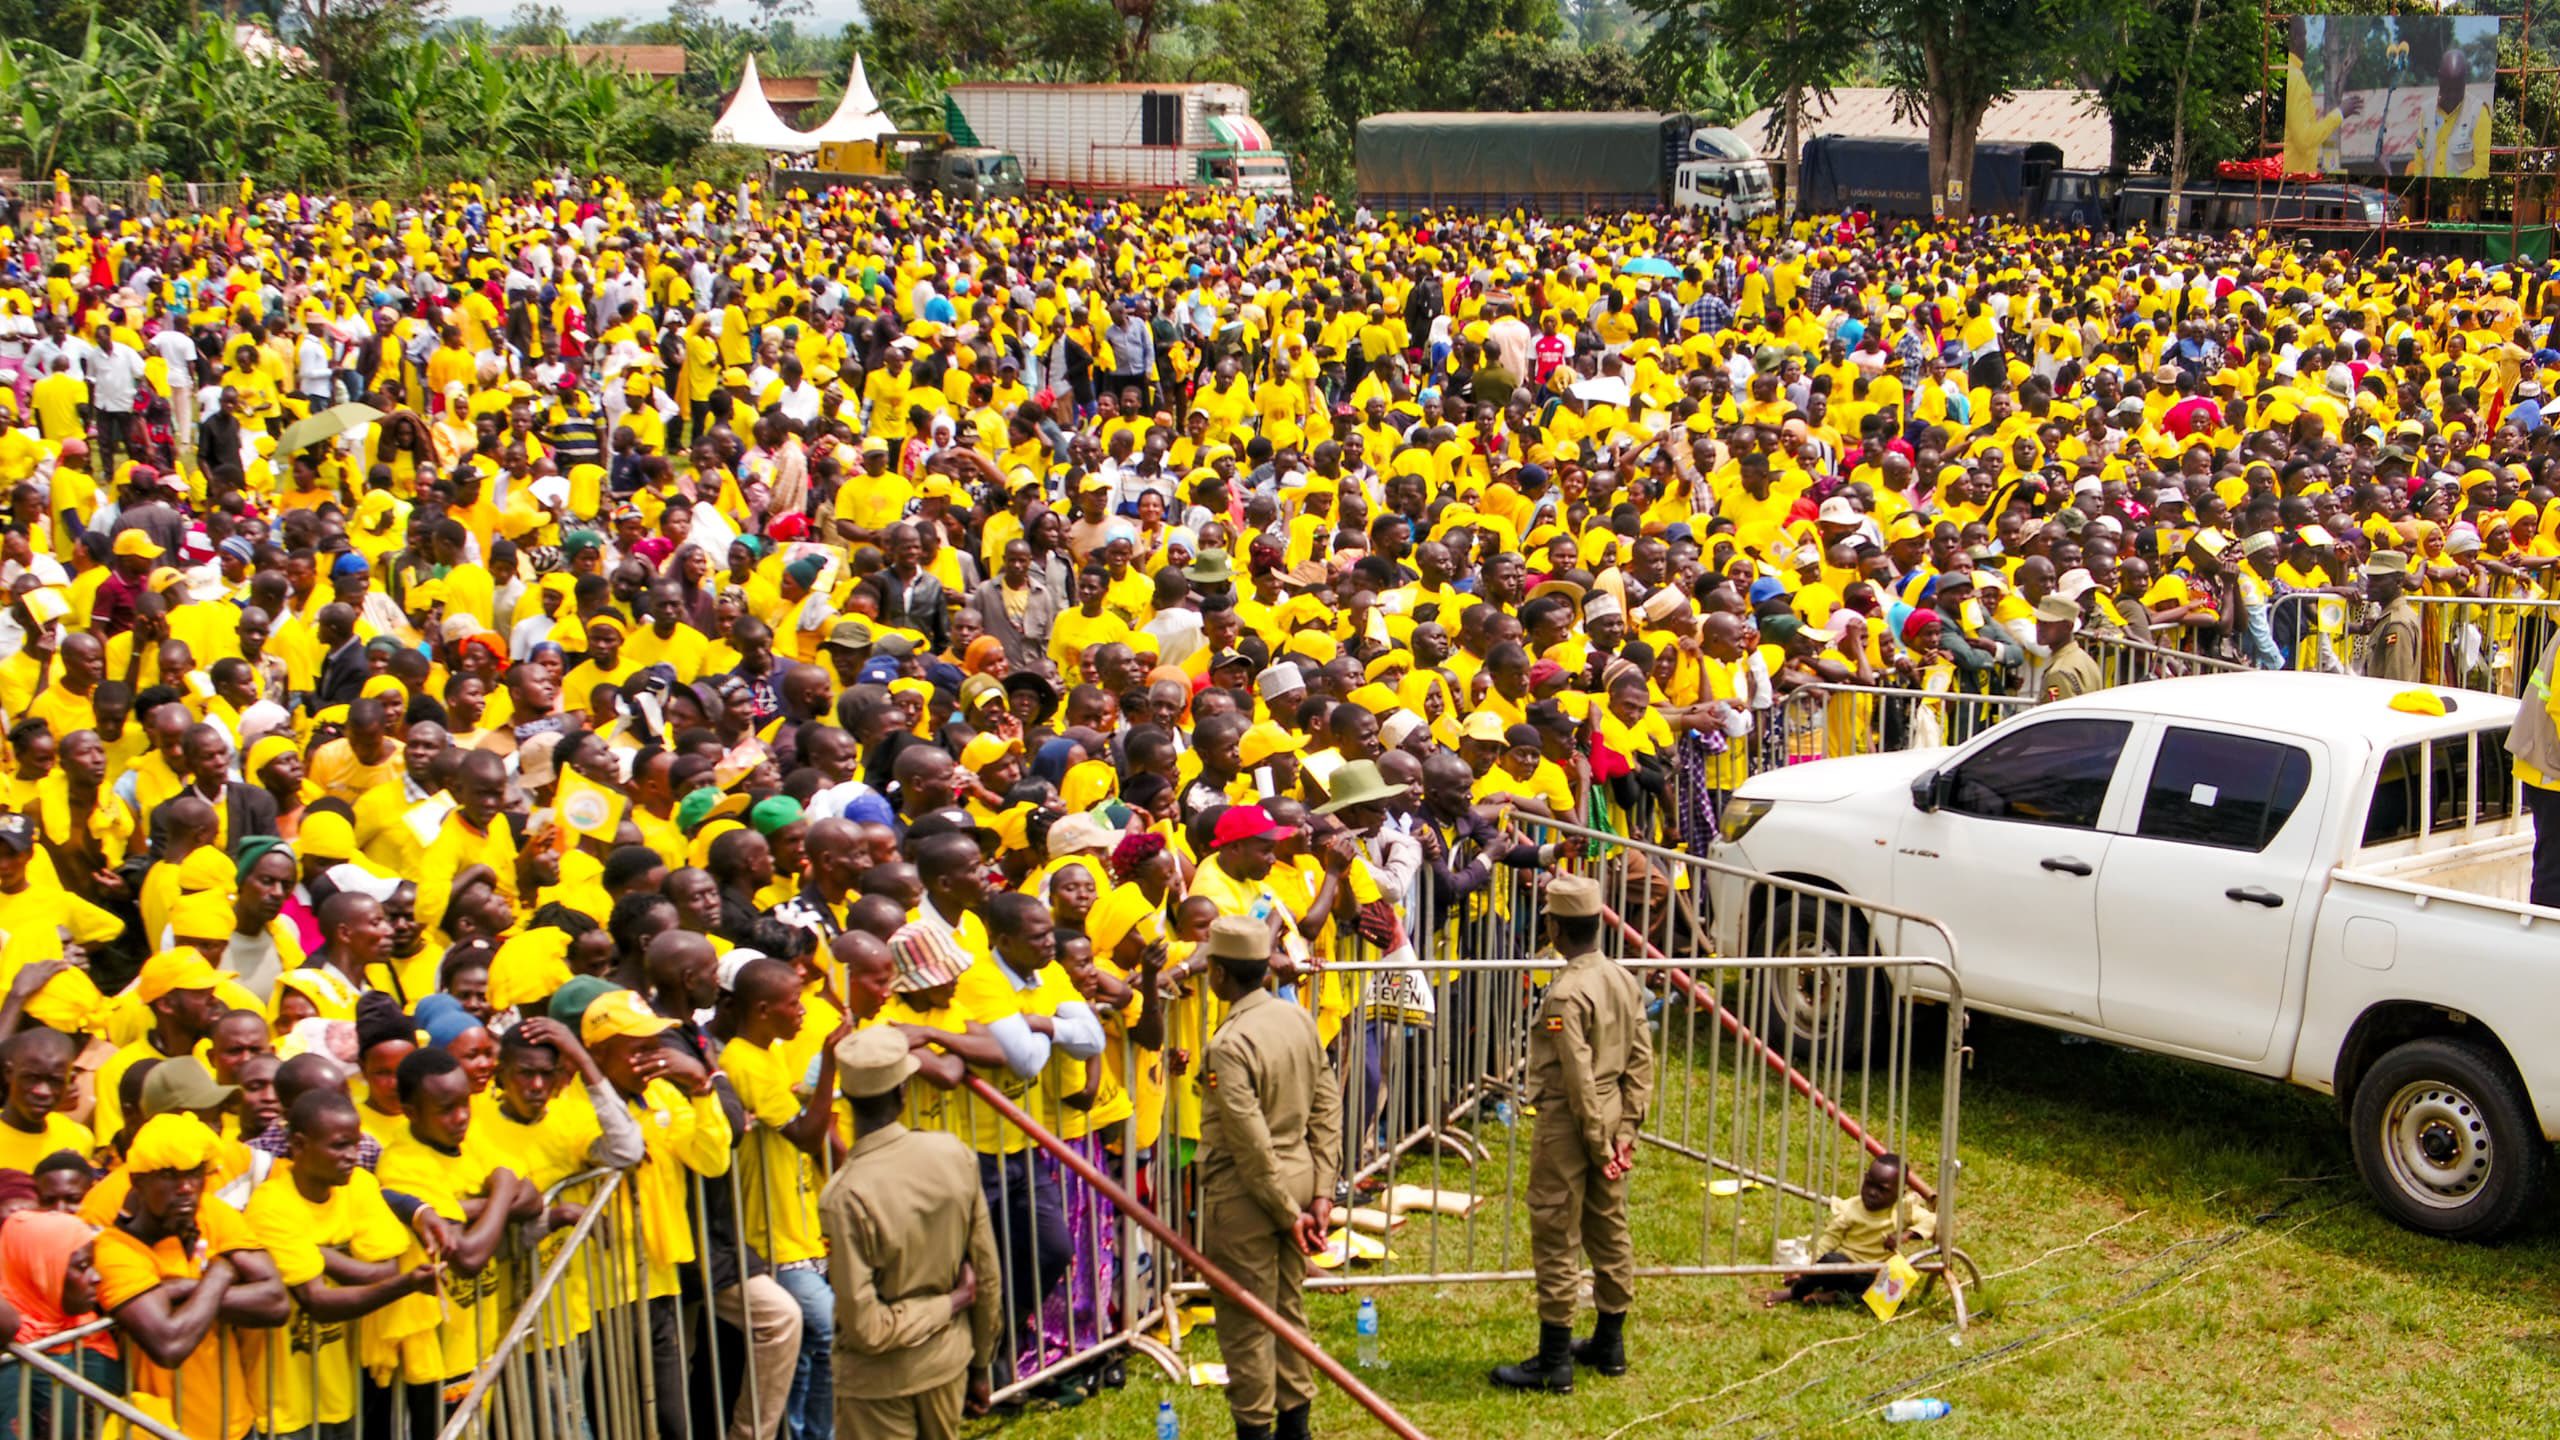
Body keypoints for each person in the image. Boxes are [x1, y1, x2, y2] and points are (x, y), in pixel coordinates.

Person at [1491, 873, 1653, 1393]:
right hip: (1610, 1115)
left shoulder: (1565, 992)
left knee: (1557, 1230)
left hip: (1572, 1123)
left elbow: (1578, 1074)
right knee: (1609, 1227)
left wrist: (1598, 1140)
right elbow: (1641, 1060)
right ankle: (1610, 1343)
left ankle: (1555, 1359)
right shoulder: (1622, 979)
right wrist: (1625, 1128)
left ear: (1556, 928)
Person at [1195, 915, 1341, 1440]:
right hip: (1299, 1178)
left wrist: (1286, 1211)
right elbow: (1328, 1106)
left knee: (1246, 1322)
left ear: (1216, 974)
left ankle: (1257, 1428)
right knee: (1287, 1306)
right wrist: (1322, 1191)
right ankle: (1295, 1425)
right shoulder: (1297, 1018)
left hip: (1250, 1196)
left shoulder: (1229, 1045)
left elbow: (1249, 1142)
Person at [819, 1026, 1003, 1440]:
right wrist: (977, 1359)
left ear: (846, 1100)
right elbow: (986, 1272)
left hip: (878, 1388)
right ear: (904, 1091)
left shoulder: (844, 1195)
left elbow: (867, 1329)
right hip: (947, 1364)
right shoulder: (953, 1154)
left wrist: (950, 1306)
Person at [1762, 1153, 1936, 1307]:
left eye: (1882, 1190)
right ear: (1865, 1178)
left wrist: (1906, 1235)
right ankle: (1794, 1292)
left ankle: (1837, 1298)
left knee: (1897, 1295)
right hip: (1844, 1269)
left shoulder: (1903, 1209)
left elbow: (1934, 1220)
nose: (1872, 1192)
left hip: (1875, 1274)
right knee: (1829, 1260)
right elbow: (1829, 1240)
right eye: (1869, 1184)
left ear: (1900, 1193)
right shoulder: (1851, 1209)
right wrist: (1808, 1266)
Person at [2359, 551, 2421, 683]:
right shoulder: (2390, 617)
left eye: (2378, 579)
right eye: (2370, 578)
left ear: (2399, 582)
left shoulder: (2397, 624)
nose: (2370, 584)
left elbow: (2397, 680)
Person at [2035, 593, 2103, 702]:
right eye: (2039, 621)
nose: (2040, 628)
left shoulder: (2058, 672)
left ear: (2068, 626)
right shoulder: (2085, 659)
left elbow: (2059, 717)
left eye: (2048, 623)